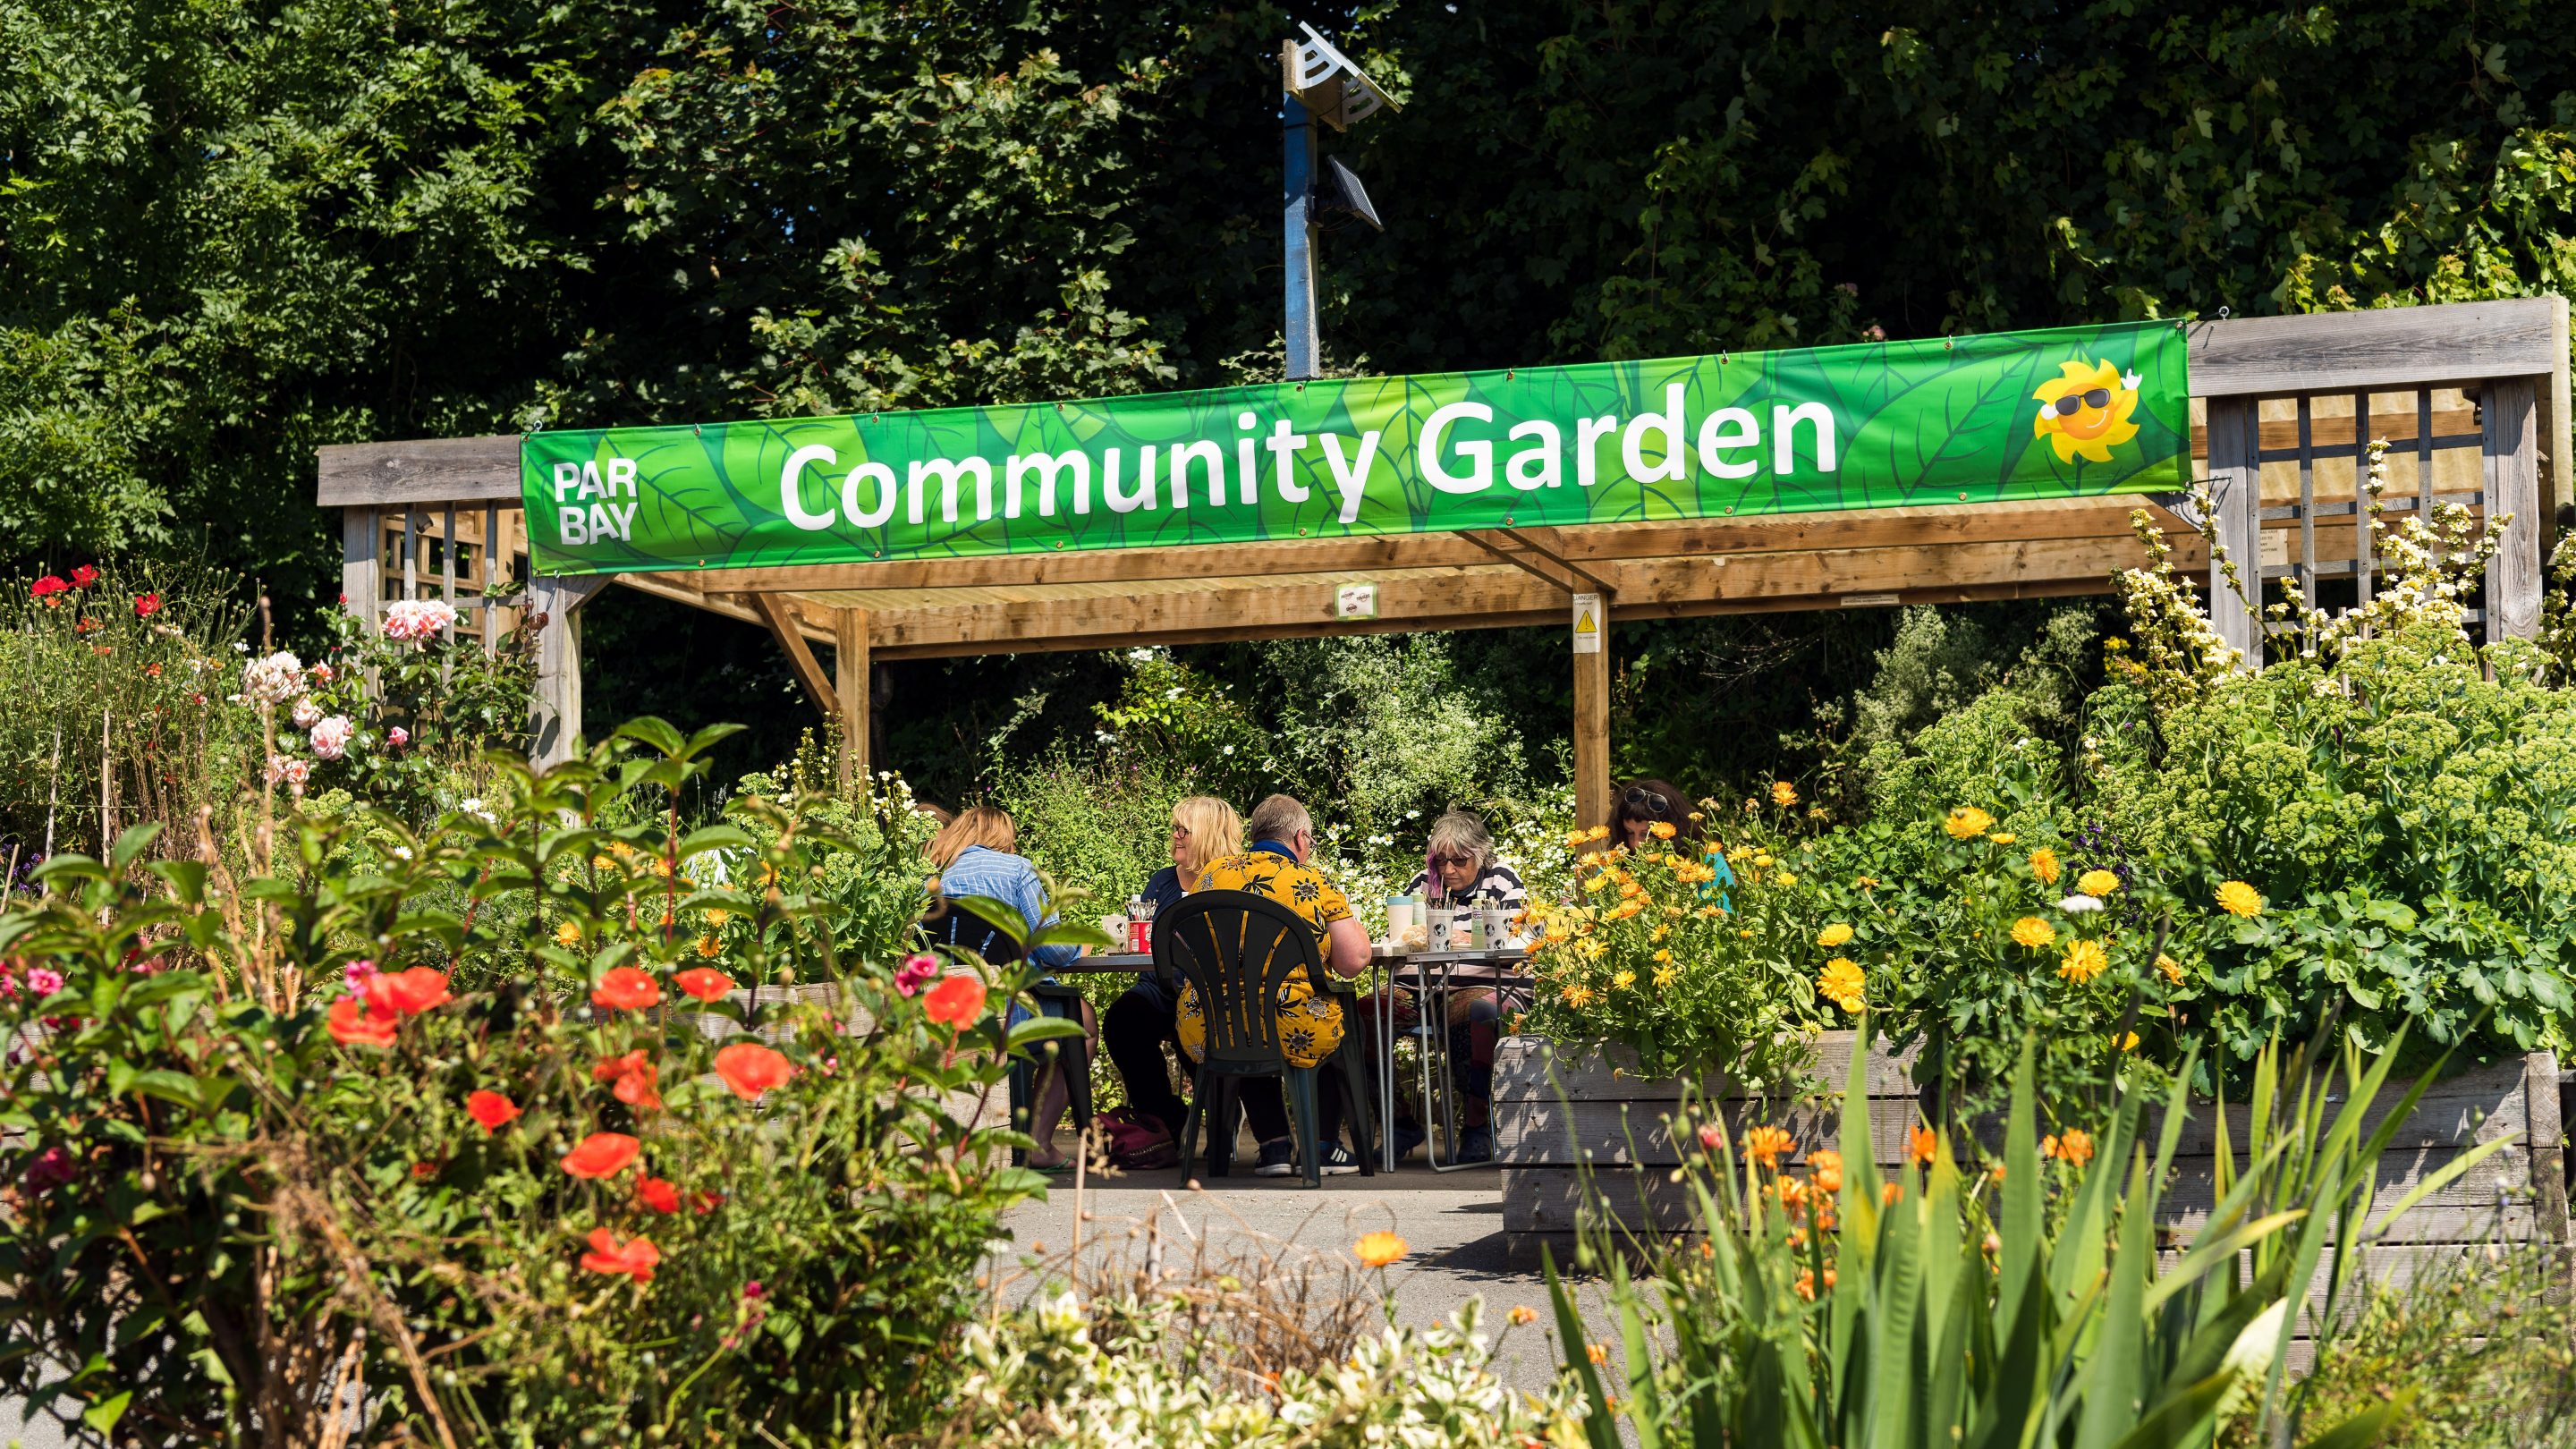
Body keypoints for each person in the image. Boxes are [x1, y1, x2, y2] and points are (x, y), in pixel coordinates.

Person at [1174, 793, 1373, 1177]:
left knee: (1247, 1017)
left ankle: (1273, 1148)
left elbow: (1183, 946)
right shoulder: (1311, 881)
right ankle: (1322, 1146)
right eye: (1310, 843)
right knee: (1343, 1020)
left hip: (1212, 1027)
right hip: (1294, 1024)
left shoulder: (1211, 876)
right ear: (1300, 839)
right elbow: (1353, 962)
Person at [923, 805, 1094, 1171]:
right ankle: (1036, 1142)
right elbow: (1052, 949)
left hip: (944, 1010)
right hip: (1007, 1011)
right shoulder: (1017, 869)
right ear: (1002, 836)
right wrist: (1082, 945)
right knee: (1083, 1021)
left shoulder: (930, 875)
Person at [1377, 810, 1528, 1164]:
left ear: (1481, 855)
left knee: (1477, 1012)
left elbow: (1519, 940)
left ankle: (1478, 1126)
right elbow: (1402, 937)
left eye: (1459, 861)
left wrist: (1465, 939)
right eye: (1440, 860)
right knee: (1367, 1012)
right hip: (1420, 988)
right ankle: (1400, 1122)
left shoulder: (1501, 880)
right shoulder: (1424, 883)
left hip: (1480, 983)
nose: (1447, 870)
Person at [1099, 796, 1242, 1150]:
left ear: (1208, 834)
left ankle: (1223, 1112)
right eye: (1174, 829)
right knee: (1122, 1021)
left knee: (1189, 1028)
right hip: (1160, 987)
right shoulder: (1162, 882)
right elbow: (1144, 937)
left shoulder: (1235, 880)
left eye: (1184, 830)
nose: (1175, 836)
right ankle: (1162, 1121)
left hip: (1213, 995)